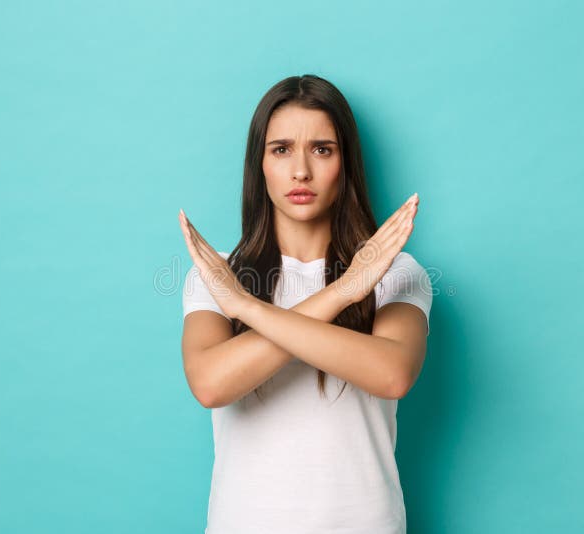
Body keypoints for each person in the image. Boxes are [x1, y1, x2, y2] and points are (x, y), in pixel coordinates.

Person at [178, 74, 432, 534]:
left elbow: (392, 374)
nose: (300, 171)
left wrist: (250, 310)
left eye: (321, 149)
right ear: (259, 165)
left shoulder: (396, 272)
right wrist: (340, 293)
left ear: (345, 163)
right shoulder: (218, 277)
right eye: (281, 149)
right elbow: (211, 384)